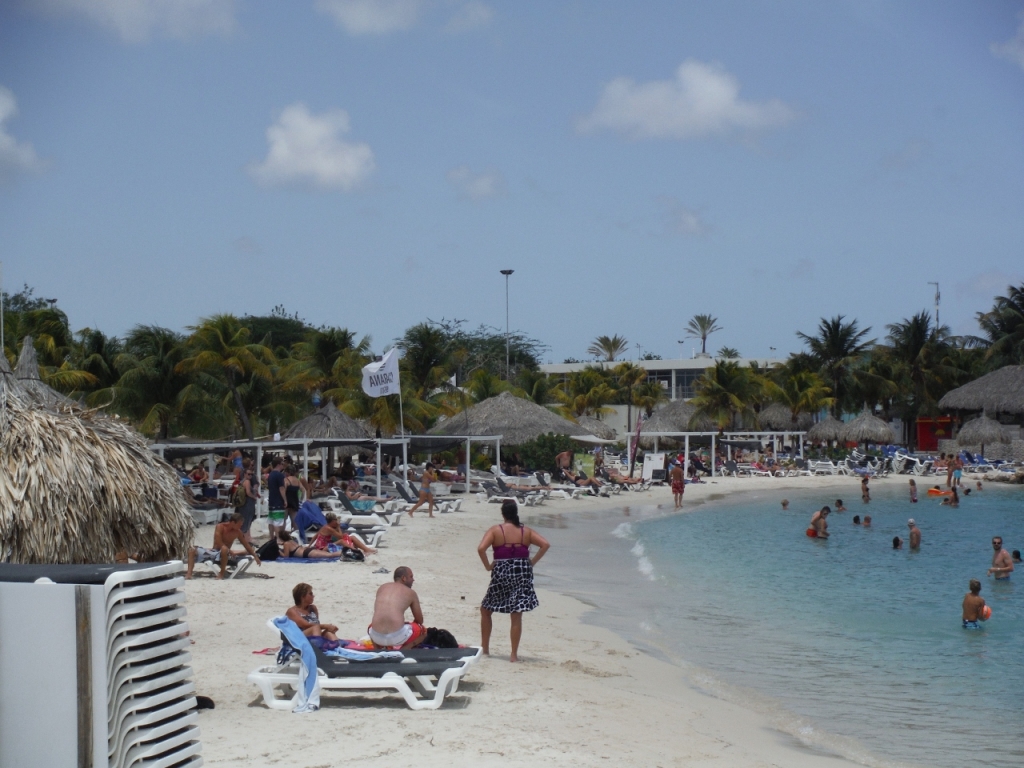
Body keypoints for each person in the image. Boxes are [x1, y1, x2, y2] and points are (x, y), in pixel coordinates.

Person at [478, 500, 551, 662]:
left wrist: (488, 566)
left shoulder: (496, 530)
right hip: (522, 570)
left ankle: (485, 648)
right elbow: (545, 544)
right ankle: (513, 655)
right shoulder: (526, 531)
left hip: (502, 570)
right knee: (516, 614)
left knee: (486, 609)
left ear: (503, 514)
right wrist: (531, 563)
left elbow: (481, 548)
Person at [186, 512, 261, 579]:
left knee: (225, 549)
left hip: (225, 553)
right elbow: (218, 542)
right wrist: (230, 551)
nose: (240, 527)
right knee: (192, 549)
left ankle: (221, 574)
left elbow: (246, 545)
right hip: (214, 552)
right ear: (232, 522)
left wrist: (255, 556)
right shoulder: (220, 527)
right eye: (239, 524)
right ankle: (189, 574)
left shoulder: (238, 532)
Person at [368, 566, 427, 649]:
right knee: (423, 630)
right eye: (411, 576)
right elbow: (419, 620)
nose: (413, 580)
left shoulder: (382, 588)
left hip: (376, 636)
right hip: (397, 637)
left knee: (371, 626)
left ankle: (378, 650)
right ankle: (403, 650)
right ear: (403, 578)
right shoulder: (411, 593)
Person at [286, 582, 341, 649]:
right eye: (310, 594)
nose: (313, 596)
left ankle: (339, 649)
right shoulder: (292, 611)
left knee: (329, 632)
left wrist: (328, 628)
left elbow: (317, 624)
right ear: (302, 597)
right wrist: (325, 626)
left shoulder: (313, 608)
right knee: (315, 628)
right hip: (299, 640)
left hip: (315, 636)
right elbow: (305, 625)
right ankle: (317, 651)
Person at [313, 513, 377, 555]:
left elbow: (315, 536)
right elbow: (340, 537)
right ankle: (357, 551)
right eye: (336, 520)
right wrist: (338, 527)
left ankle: (366, 550)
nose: (337, 521)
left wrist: (309, 546)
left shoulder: (325, 526)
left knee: (351, 537)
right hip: (323, 549)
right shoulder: (329, 528)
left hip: (324, 547)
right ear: (332, 521)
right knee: (342, 540)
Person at [238, 467, 260, 544]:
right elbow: (248, 492)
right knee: (247, 519)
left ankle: (246, 536)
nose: (250, 475)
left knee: (246, 520)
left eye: (251, 474)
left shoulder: (242, 481)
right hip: (248, 503)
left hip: (244, 503)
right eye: (248, 474)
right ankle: (246, 538)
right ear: (244, 474)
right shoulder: (247, 481)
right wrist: (254, 497)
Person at [266, 458, 287, 537]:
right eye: (282, 464)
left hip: (271, 500)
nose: (283, 465)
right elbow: (281, 488)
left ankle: (271, 537)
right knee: (278, 522)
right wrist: (285, 500)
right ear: (278, 465)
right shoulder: (280, 475)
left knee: (271, 521)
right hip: (278, 501)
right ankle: (278, 539)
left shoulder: (270, 475)